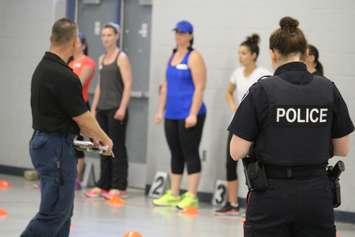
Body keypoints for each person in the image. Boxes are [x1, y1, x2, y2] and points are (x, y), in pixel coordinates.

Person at [229, 16, 353, 237]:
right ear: (305, 53)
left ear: (273, 53)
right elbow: (343, 149)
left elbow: (237, 151)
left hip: (271, 196)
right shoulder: (328, 89)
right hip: (317, 195)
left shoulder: (262, 91)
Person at [21, 18, 113, 237]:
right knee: (53, 214)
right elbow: (84, 119)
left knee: (64, 213)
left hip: (45, 142)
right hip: (55, 148)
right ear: (73, 43)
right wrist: (105, 139)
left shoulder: (43, 68)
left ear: (51, 39)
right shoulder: (64, 75)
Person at [153, 20, 207, 209]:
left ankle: (191, 195)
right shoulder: (173, 55)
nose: (179, 36)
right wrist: (160, 110)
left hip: (190, 114)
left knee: (190, 152)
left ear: (190, 36)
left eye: (183, 33)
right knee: (175, 152)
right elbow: (166, 86)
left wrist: (192, 114)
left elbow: (200, 87)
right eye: (177, 33)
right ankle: (174, 193)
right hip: (172, 113)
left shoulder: (194, 57)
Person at [215, 34, 271, 215]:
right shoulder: (236, 73)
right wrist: (234, 108)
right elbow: (228, 92)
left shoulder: (264, 74)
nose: (241, 56)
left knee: (256, 166)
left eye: (244, 53)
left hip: (258, 129)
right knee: (230, 163)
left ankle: (258, 205)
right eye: (239, 53)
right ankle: (232, 204)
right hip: (239, 126)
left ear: (254, 55)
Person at [85, 22, 132, 199]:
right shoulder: (101, 58)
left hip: (116, 108)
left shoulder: (121, 57)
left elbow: (128, 85)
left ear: (116, 36)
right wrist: (94, 108)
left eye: (109, 35)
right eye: (103, 35)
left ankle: (119, 185)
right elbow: (100, 86)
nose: (106, 38)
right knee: (103, 146)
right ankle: (103, 183)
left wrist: (122, 107)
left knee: (117, 147)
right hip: (103, 108)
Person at [68, 32, 96, 190]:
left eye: (76, 41)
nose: (73, 44)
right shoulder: (69, 63)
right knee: (65, 142)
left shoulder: (88, 62)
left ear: (83, 45)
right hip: (67, 107)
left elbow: (77, 83)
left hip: (80, 106)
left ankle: (76, 179)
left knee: (77, 143)